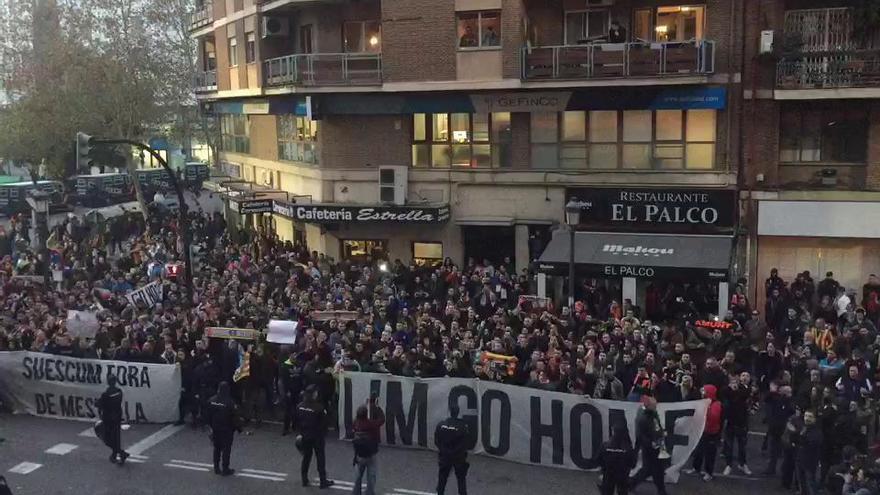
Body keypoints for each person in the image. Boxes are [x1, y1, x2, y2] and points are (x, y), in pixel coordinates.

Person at [630, 396, 668, 495]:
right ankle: (630, 484)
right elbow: (640, 435)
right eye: (654, 406)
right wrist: (651, 443)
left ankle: (661, 490)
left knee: (654, 469)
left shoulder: (651, 414)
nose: (656, 407)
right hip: (650, 447)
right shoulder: (643, 418)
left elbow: (656, 426)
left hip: (656, 445)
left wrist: (660, 434)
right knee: (650, 469)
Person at [297, 385, 334, 488]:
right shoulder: (319, 408)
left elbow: (296, 420)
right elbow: (324, 423)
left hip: (305, 435)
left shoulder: (300, 406)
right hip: (317, 437)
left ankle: (304, 480)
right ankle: (323, 481)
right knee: (320, 459)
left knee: (306, 458)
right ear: (314, 394)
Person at [351, 395, 386, 495]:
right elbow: (382, 419)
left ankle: (356, 492)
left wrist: (365, 404)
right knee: (371, 476)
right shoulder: (371, 424)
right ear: (366, 415)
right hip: (371, 453)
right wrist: (376, 407)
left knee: (358, 476)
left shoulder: (355, 423)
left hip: (359, 454)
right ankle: (369, 493)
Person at [686, 384, 722, 481]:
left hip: (711, 433)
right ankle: (696, 467)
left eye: (704, 391)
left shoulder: (716, 404)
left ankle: (709, 473)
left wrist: (705, 410)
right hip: (702, 431)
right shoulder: (703, 402)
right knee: (698, 451)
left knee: (710, 454)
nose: (702, 392)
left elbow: (714, 417)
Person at [434, 404, 470, 495]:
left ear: (450, 412)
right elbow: (465, 443)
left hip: (445, 456)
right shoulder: (462, 427)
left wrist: (444, 450)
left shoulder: (441, 425)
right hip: (458, 458)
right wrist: (457, 452)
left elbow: (437, 441)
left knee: (442, 479)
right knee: (461, 480)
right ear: (458, 412)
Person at [207, 381, 241, 476]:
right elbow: (235, 418)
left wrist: (210, 426)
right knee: (226, 449)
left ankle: (216, 467)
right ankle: (225, 469)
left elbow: (207, 415)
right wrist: (238, 428)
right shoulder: (230, 402)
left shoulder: (211, 400)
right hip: (227, 430)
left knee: (216, 448)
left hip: (215, 428)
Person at [97, 374, 129, 465]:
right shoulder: (119, 391)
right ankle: (116, 455)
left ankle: (120, 453)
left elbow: (101, 405)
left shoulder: (106, 394)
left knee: (107, 438)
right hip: (117, 417)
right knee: (116, 437)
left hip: (108, 418)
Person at [598, 424, 636, 495]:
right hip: (622, 475)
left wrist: (603, 469)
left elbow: (599, 460)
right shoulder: (628, 448)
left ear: (613, 432)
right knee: (622, 491)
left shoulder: (605, 445)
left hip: (608, 474)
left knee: (607, 492)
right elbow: (633, 463)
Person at [795, 410, 823, 495]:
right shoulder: (803, 428)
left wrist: (801, 437)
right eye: (806, 416)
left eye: (810, 416)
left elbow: (811, 444)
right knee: (801, 481)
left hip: (810, 461)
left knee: (811, 482)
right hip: (800, 458)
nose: (807, 418)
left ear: (815, 419)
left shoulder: (817, 431)